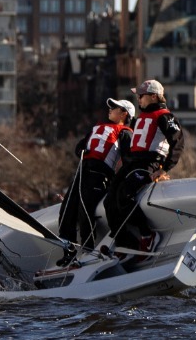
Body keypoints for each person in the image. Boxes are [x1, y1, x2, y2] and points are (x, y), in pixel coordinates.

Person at [111, 79, 186, 252]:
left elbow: (178, 144)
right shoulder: (140, 118)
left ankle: (147, 235)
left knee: (124, 195)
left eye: (141, 96)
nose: (138, 99)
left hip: (149, 162)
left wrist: (164, 169)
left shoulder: (165, 116)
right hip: (133, 163)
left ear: (153, 96)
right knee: (111, 199)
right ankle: (123, 243)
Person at [58, 98, 133, 255]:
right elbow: (80, 145)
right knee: (66, 211)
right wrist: (81, 150)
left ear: (124, 114)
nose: (110, 109)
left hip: (99, 175)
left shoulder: (125, 132)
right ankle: (68, 251)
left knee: (85, 211)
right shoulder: (97, 128)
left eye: (115, 107)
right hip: (82, 172)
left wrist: (124, 182)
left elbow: (128, 159)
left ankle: (88, 251)